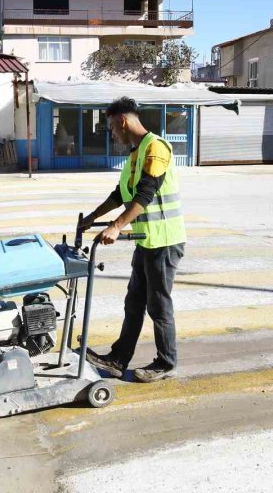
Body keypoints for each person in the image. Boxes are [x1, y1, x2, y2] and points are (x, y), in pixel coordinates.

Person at [82, 96, 186, 383]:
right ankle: (118, 358)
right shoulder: (134, 154)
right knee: (134, 302)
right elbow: (120, 194)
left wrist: (115, 226)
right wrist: (93, 216)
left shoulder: (156, 148)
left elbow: (145, 193)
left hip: (165, 241)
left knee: (158, 305)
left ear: (123, 122)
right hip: (146, 241)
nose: (112, 134)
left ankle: (166, 362)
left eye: (112, 128)